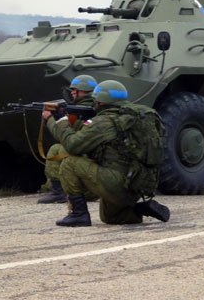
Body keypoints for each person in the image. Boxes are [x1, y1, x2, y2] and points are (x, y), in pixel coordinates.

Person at [42, 80, 169, 226]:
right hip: (138, 184)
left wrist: (57, 121)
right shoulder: (138, 115)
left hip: (118, 184)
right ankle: (141, 209)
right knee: (111, 218)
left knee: (69, 164)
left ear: (100, 101)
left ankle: (79, 214)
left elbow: (73, 146)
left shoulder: (104, 122)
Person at [37, 74, 98, 204]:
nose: (72, 92)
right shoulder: (91, 107)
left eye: (76, 90)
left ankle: (61, 192)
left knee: (58, 149)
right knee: (59, 148)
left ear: (85, 91)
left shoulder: (86, 111)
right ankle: (61, 191)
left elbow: (64, 136)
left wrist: (50, 119)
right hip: (92, 163)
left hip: (90, 164)